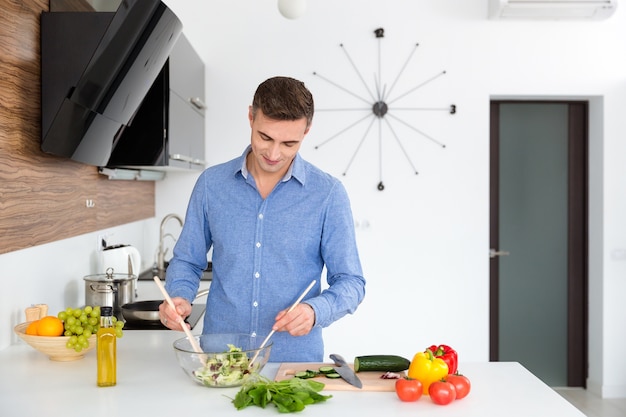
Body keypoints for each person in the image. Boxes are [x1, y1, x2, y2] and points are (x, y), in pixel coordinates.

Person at [159, 76, 365, 362]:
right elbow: (187, 260)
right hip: (220, 359)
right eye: (265, 137)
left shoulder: (328, 194)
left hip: (294, 365)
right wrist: (179, 297)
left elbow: (351, 282)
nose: (274, 153)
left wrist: (315, 311)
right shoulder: (211, 185)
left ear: (306, 131)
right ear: (250, 117)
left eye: (289, 143)